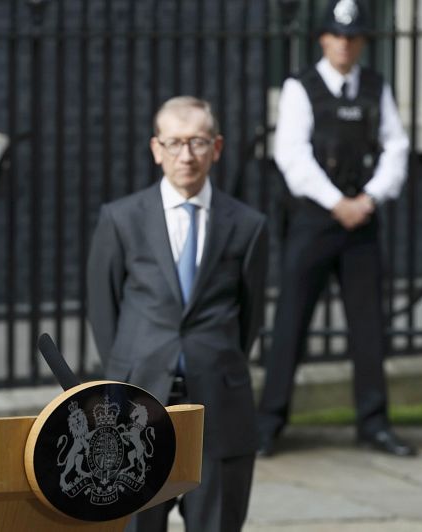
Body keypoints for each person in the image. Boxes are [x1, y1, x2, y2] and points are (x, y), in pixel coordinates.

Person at [87, 96, 268, 532]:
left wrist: (214, 357)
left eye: (198, 142)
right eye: (174, 143)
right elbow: (103, 306)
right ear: (156, 149)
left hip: (218, 403)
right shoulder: (121, 219)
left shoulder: (247, 225)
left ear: (217, 147)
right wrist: (129, 369)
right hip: (137, 402)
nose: (186, 155)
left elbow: (251, 315)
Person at [256, 0, 416, 458]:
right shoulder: (299, 88)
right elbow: (292, 155)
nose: (344, 43)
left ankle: (374, 422)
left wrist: (366, 200)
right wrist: (337, 203)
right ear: (323, 38)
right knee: (291, 320)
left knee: (368, 326)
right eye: (336, 35)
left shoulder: (375, 86)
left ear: (362, 41)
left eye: (352, 36)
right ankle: (270, 422)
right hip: (314, 220)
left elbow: (396, 147)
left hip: (361, 219)